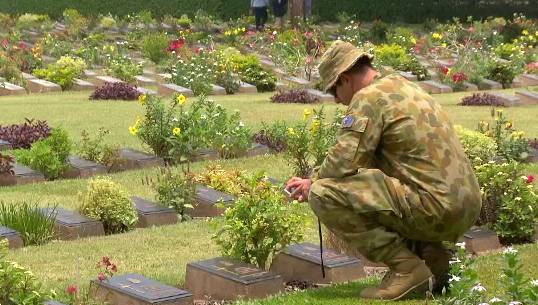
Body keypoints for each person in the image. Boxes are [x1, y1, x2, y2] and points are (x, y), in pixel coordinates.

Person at [285, 40, 482, 300]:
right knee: (381, 184)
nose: (337, 101)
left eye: (334, 92)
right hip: (466, 206)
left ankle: (407, 269)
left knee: (324, 194)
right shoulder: (407, 87)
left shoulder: (368, 98)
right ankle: (436, 260)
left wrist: (312, 183)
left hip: (434, 208)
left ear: (344, 79)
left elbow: (345, 160)